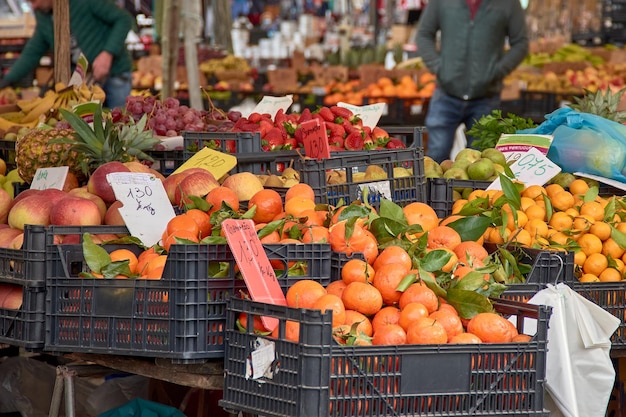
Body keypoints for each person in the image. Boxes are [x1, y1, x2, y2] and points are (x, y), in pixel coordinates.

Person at [416, 0, 529, 163]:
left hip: (486, 97)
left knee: (480, 164)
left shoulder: (508, 3)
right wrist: (439, 67)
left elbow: (521, 43)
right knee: (436, 157)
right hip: (446, 93)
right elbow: (424, 34)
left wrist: (496, 72)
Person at [0, 0, 134, 109]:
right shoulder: (43, 16)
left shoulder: (85, 2)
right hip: (84, 80)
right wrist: (8, 80)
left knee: (119, 121)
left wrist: (108, 53)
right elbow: (32, 51)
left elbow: (123, 19)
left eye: (34, 1)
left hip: (115, 73)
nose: (33, 6)